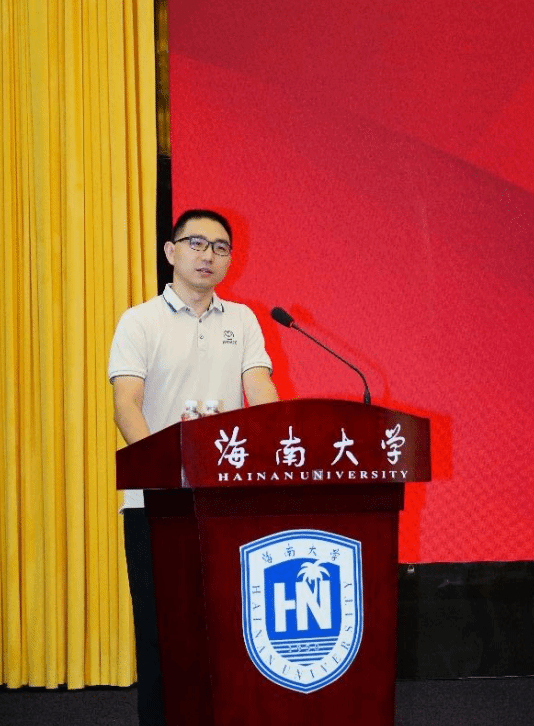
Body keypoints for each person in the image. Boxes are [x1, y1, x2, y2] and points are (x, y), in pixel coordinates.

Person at [108, 209, 279, 725]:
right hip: (157, 504)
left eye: (220, 247)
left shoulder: (242, 321)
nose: (208, 255)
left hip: (225, 504)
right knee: (161, 634)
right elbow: (126, 405)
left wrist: (280, 439)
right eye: (197, 243)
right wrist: (161, 473)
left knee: (227, 631)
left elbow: (260, 391)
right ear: (171, 251)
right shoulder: (140, 321)